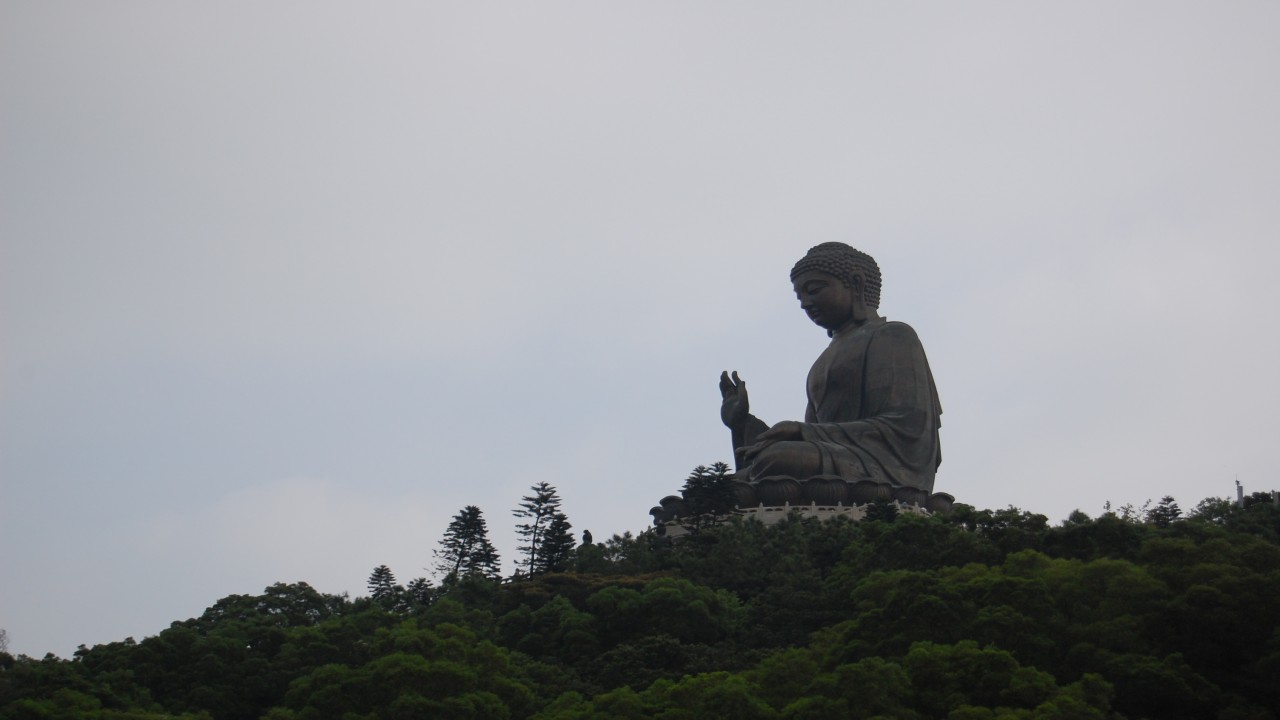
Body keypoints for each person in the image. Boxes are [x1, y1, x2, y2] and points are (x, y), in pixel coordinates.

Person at [720, 242, 941, 493]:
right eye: (799, 296)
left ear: (856, 284)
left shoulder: (893, 335)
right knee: (720, 487)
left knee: (780, 459)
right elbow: (812, 434)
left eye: (813, 290)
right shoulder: (823, 360)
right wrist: (741, 423)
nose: (805, 303)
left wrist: (803, 432)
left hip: (882, 466)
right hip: (835, 458)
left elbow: (907, 427)